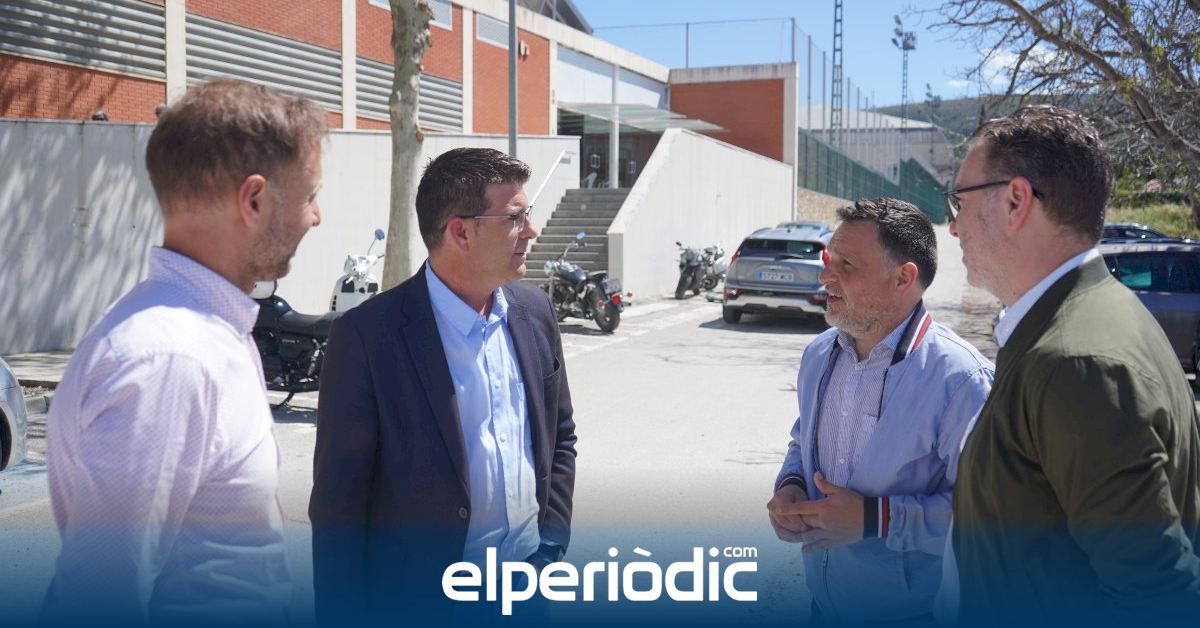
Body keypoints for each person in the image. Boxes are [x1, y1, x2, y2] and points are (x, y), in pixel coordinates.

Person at [42, 78, 327, 624]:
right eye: (310, 195)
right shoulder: (171, 360)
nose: (318, 216)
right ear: (254, 200)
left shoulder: (201, 333)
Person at [947, 104, 1200, 623]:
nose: (952, 227)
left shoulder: (1075, 364)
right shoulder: (1089, 318)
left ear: (1016, 200)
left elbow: (1157, 595)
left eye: (959, 201)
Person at [310, 147, 576, 623]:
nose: (531, 231)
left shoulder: (535, 311)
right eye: (516, 218)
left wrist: (551, 544)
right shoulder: (367, 337)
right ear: (461, 232)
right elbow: (338, 506)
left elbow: (560, 437)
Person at [768, 198, 993, 624]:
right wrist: (791, 485)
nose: (825, 276)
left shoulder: (962, 381)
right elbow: (802, 440)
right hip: (823, 608)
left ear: (903, 278)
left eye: (847, 265)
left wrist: (875, 519)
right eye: (829, 260)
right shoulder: (819, 354)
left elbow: (990, 519)